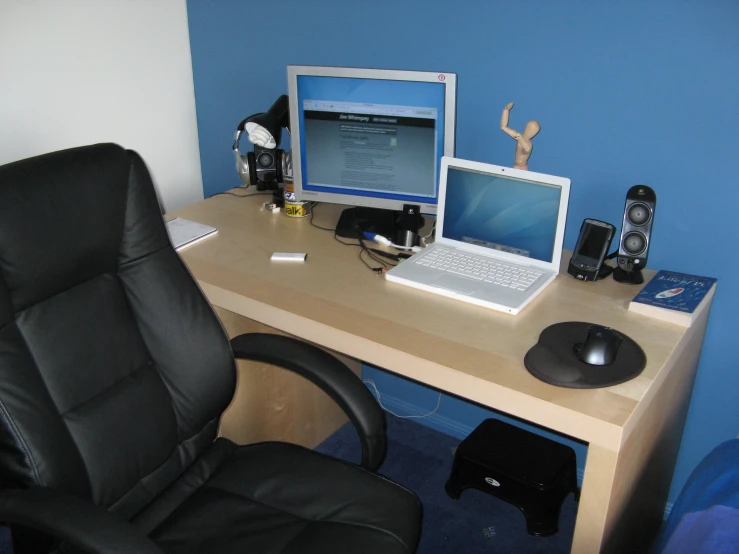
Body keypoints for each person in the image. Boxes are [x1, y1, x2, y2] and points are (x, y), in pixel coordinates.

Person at [500, 102, 540, 171]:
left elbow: (516, 136)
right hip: (519, 166)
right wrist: (506, 110)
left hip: (520, 168)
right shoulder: (523, 139)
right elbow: (504, 127)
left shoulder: (527, 144)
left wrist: (506, 110)